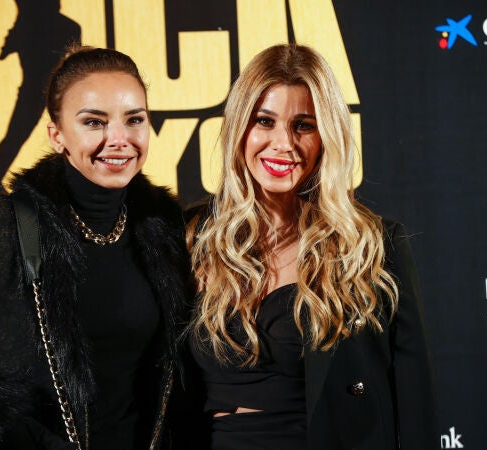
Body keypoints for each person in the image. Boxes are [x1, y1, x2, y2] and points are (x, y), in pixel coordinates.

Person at [0, 45, 191, 450]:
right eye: (93, 122)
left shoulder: (166, 229)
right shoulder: (0, 226)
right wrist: (7, 429)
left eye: (134, 119)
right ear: (57, 135)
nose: (119, 139)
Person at [186, 43, 438, 449]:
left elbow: (415, 404)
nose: (283, 143)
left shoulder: (371, 247)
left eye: (303, 125)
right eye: (264, 121)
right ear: (239, 129)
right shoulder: (194, 237)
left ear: (326, 136)